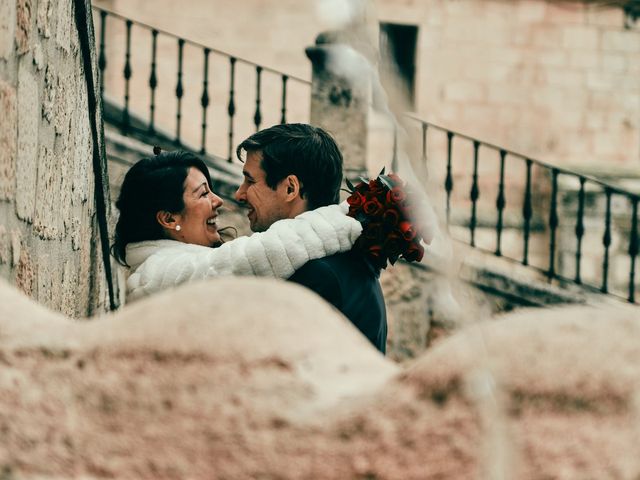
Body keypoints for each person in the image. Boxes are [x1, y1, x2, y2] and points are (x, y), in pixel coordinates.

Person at [112, 150, 362, 301]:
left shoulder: (163, 266)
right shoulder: (161, 272)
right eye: (203, 194)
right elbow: (254, 256)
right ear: (169, 219)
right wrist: (345, 218)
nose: (218, 200)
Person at [235, 124, 387, 353]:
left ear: (290, 188)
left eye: (250, 181)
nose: (239, 194)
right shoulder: (336, 261)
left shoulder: (318, 274)